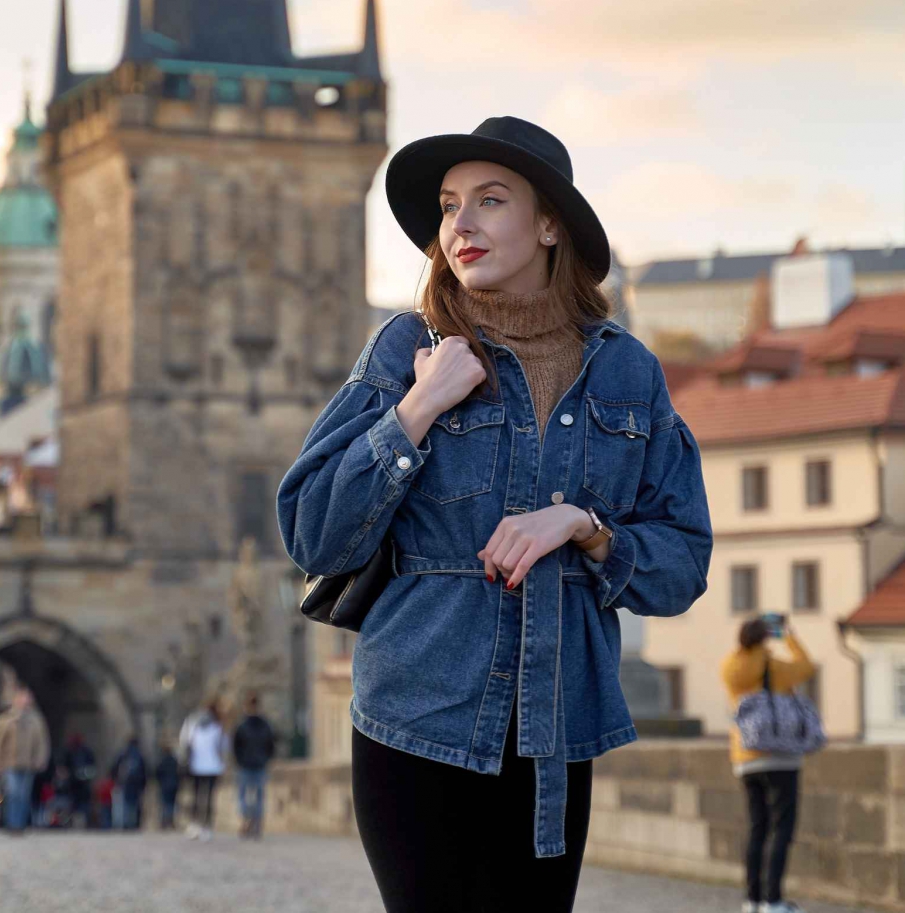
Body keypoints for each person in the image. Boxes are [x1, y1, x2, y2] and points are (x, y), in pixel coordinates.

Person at [278, 117, 713, 912]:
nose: (460, 226)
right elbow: (310, 527)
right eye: (448, 206)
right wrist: (417, 406)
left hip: (554, 730)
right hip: (417, 716)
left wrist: (584, 526)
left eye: (489, 200)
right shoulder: (407, 348)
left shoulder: (627, 371)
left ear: (551, 223)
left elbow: (683, 561)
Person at [722, 616, 815, 913]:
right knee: (781, 828)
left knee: (757, 828)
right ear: (765, 636)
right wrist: (788, 637)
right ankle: (773, 901)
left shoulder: (731, 667)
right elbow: (806, 667)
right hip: (780, 757)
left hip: (746, 758)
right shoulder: (776, 667)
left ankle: (753, 899)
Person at [0, 688, 50, 835]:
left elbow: (42, 742)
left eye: (28, 698)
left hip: (28, 764)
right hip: (10, 763)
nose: (26, 701)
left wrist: (41, 760)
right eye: (23, 698)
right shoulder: (7, 719)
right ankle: (12, 824)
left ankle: (21, 825)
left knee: (24, 795)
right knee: (13, 793)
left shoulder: (36, 719)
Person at [177, 698, 225, 841]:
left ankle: (195, 825)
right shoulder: (217, 727)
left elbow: (184, 742)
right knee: (208, 798)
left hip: (196, 766)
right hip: (212, 766)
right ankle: (206, 826)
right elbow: (222, 747)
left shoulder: (192, 725)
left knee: (196, 796)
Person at [232, 694, 276, 839]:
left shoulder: (244, 725)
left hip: (252, 764)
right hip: (253, 764)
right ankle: (252, 821)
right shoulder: (261, 725)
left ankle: (251, 821)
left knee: (249, 795)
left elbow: (270, 744)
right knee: (253, 796)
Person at [110, 735, 148, 831]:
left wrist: (115, 780)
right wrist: (143, 786)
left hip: (124, 783)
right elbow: (144, 772)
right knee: (134, 804)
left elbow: (113, 768)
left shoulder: (123, 754)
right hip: (136, 785)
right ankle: (133, 824)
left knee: (124, 804)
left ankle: (124, 824)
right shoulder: (139, 755)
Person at [59, 733, 97, 828]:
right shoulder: (69, 751)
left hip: (82, 784)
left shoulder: (86, 751)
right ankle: (72, 823)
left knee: (82, 805)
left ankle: (80, 823)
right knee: (73, 805)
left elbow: (92, 767)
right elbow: (63, 768)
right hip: (73, 784)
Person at [154, 738, 181, 830]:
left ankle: (164, 822)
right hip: (174, 785)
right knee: (172, 804)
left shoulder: (161, 760)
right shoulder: (174, 760)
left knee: (164, 803)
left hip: (164, 785)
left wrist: (159, 782)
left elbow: (157, 772)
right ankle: (171, 821)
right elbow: (179, 773)